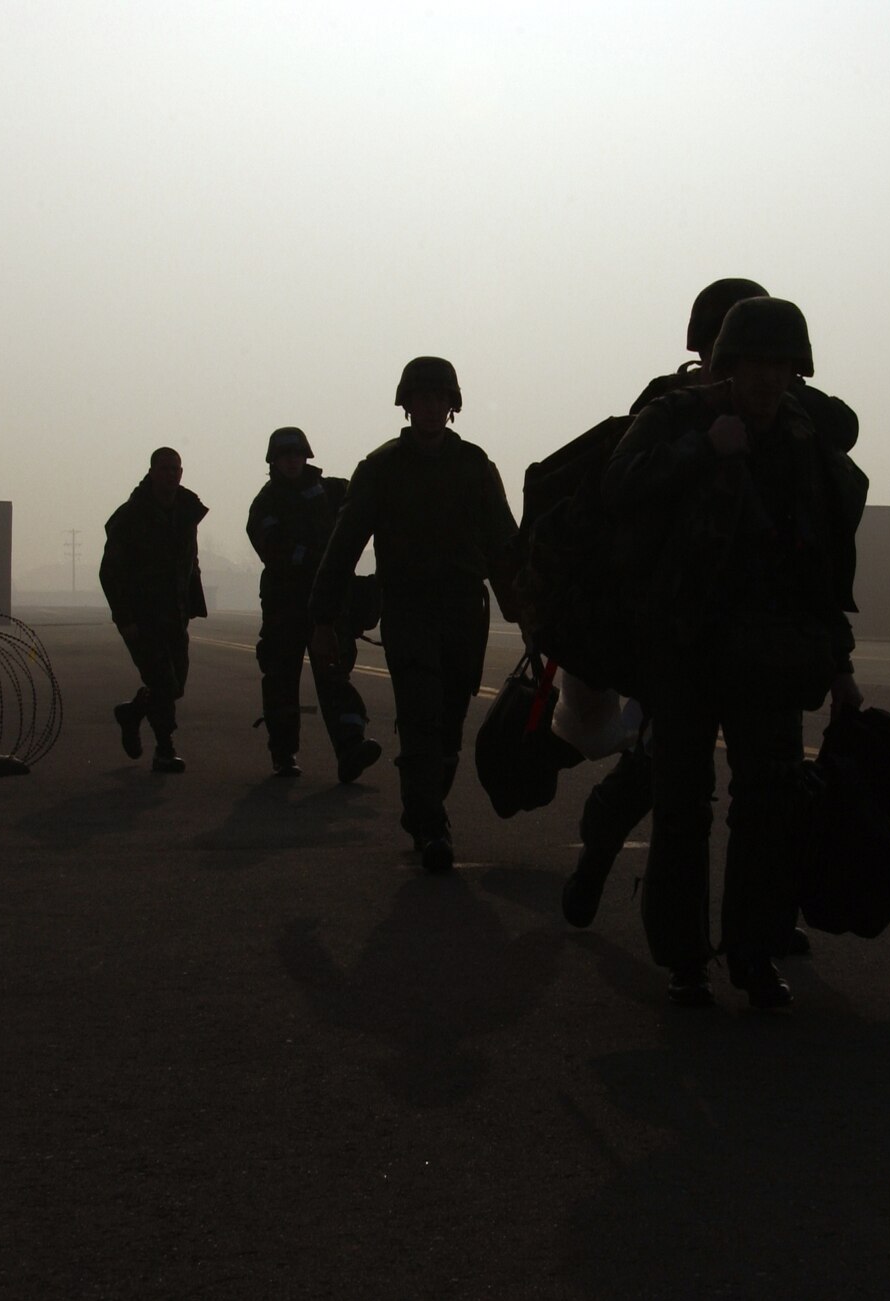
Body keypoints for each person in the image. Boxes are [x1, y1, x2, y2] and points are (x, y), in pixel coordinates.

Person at [563, 277, 860, 936]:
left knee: (768, 797)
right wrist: (707, 444)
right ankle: (625, 890)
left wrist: (837, 659)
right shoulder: (672, 406)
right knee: (670, 795)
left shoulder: (799, 427)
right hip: (680, 636)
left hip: (768, 644)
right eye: (748, 356)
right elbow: (619, 487)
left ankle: (759, 942)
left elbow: (822, 552)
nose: (763, 371)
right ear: (715, 350)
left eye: (777, 358)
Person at [309, 357, 519, 873]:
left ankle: (426, 809)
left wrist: (530, 614)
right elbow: (343, 547)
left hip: (465, 611)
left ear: (453, 406)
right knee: (421, 716)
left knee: (449, 728)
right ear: (406, 405)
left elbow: (506, 548)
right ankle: (429, 825)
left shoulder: (475, 466)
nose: (430, 407)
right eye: (421, 398)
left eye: (439, 398)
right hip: (407, 609)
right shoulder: (380, 469)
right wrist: (321, 620)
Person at [246, 427, 382, 782]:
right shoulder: (265, 505)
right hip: (285, 606)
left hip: (328, 602)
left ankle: (351, 746)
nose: (292, 461)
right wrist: (322, 559)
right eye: (284, 455)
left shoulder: (334, 491)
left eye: (297, 454)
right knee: (280, 679)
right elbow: (274, 551)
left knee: (335, 675)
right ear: (273, 461)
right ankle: (284, 753)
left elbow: (366, 513)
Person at [101, 446, 208, 774]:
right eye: (164, 468)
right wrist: (124, 619)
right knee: (162, 681)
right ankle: (165, 748)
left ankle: (133, 712)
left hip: (174, 615)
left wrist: (192, 601)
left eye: (176, 468)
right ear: (152, 472)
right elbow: (111, 572)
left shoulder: (186, 511)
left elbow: (191, 561)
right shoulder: (130, 517)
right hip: (143, 618)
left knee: (175, 685)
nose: (171, 474)